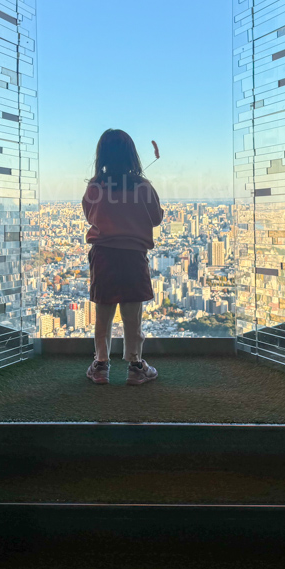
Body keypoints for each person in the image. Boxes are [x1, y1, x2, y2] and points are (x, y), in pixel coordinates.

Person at [82, 129, 164, 385]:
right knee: (132, 314)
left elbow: (89, 214)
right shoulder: (143, 186)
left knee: (103, 314)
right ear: (132, 156)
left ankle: (101, 365)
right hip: (133, 257)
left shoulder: (95, 186)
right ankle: (135, 366)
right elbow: (156, 217)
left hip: (104, 256)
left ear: (101, 155)